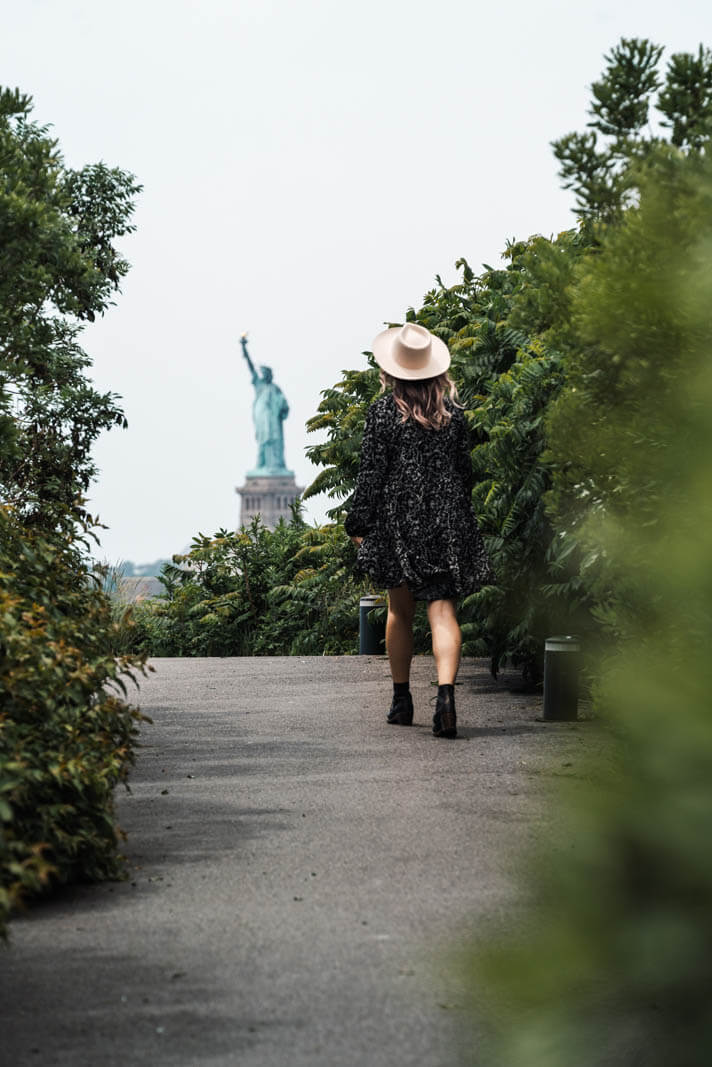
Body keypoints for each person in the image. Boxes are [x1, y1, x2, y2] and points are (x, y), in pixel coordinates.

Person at [344, 322, 495, 739]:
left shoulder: (381, 413)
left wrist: (358, 525)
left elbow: (371, 476)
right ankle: (445, 697)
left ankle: (401, 700)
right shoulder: (454, 416)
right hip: (446, 523)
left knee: (400, 611)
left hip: (399, 522)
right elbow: (465, 474)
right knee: (442, 612)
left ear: (392, 370)